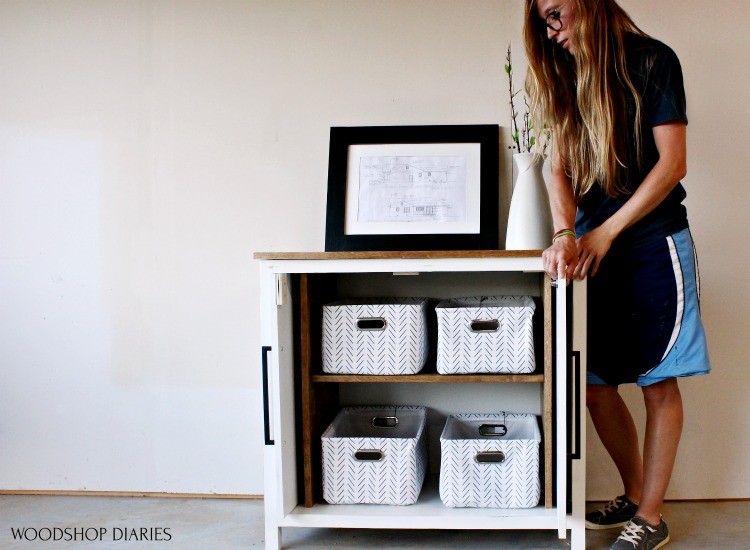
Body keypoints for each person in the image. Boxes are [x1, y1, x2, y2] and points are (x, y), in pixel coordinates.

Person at [523, 1, 711, 549]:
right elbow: (557, 168)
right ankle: (636, 495)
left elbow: (671, 163)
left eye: (556, 14)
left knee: (657, 380)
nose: (552, 31)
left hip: (653, 243)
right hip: (591, 248)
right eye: (542, 22)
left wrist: (608, 232)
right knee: (596, 384)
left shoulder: (653, 61)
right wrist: (565, 232)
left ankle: (651, 519)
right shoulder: (564, 75)